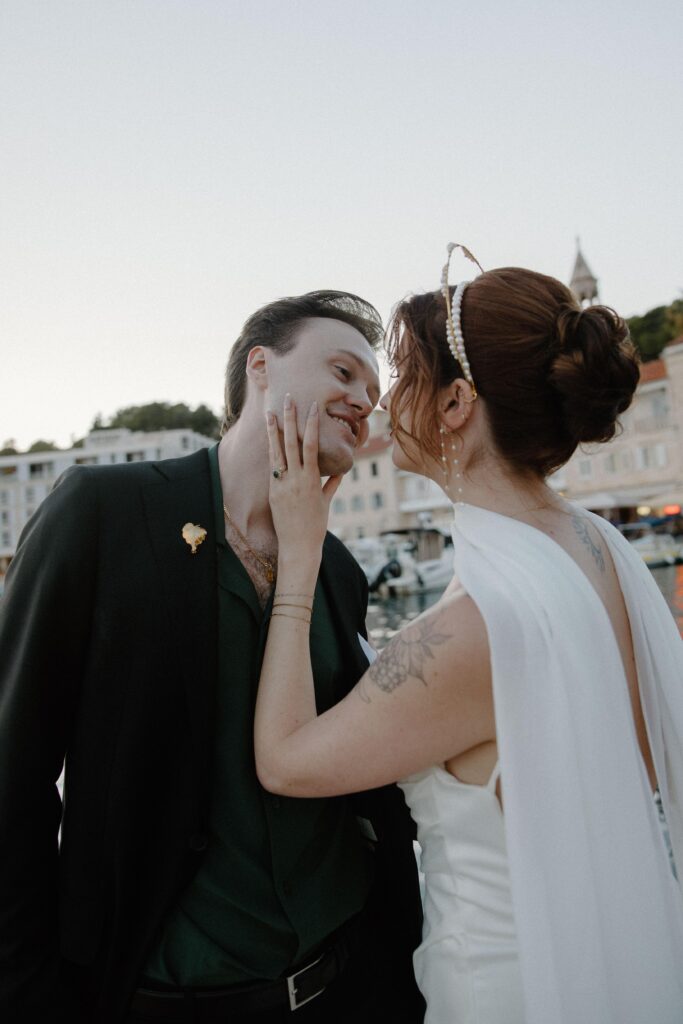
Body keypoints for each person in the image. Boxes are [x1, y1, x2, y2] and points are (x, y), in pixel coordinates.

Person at [254, 248, 683, 1024]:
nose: (384, 403)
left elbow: (285, 762)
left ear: (454, 402)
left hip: (507, 989)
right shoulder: (598, 547)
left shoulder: (471, 630)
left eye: (404, 376)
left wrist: (300, 554)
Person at [0, 290, 426, 1024]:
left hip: (347, 985)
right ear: (261, 367)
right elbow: (13, 769)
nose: (364, 401)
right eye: (343, 371)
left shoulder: (338, 571)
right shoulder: (100, 512)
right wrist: (26, 993)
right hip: (160, 997)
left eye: (372, 391)